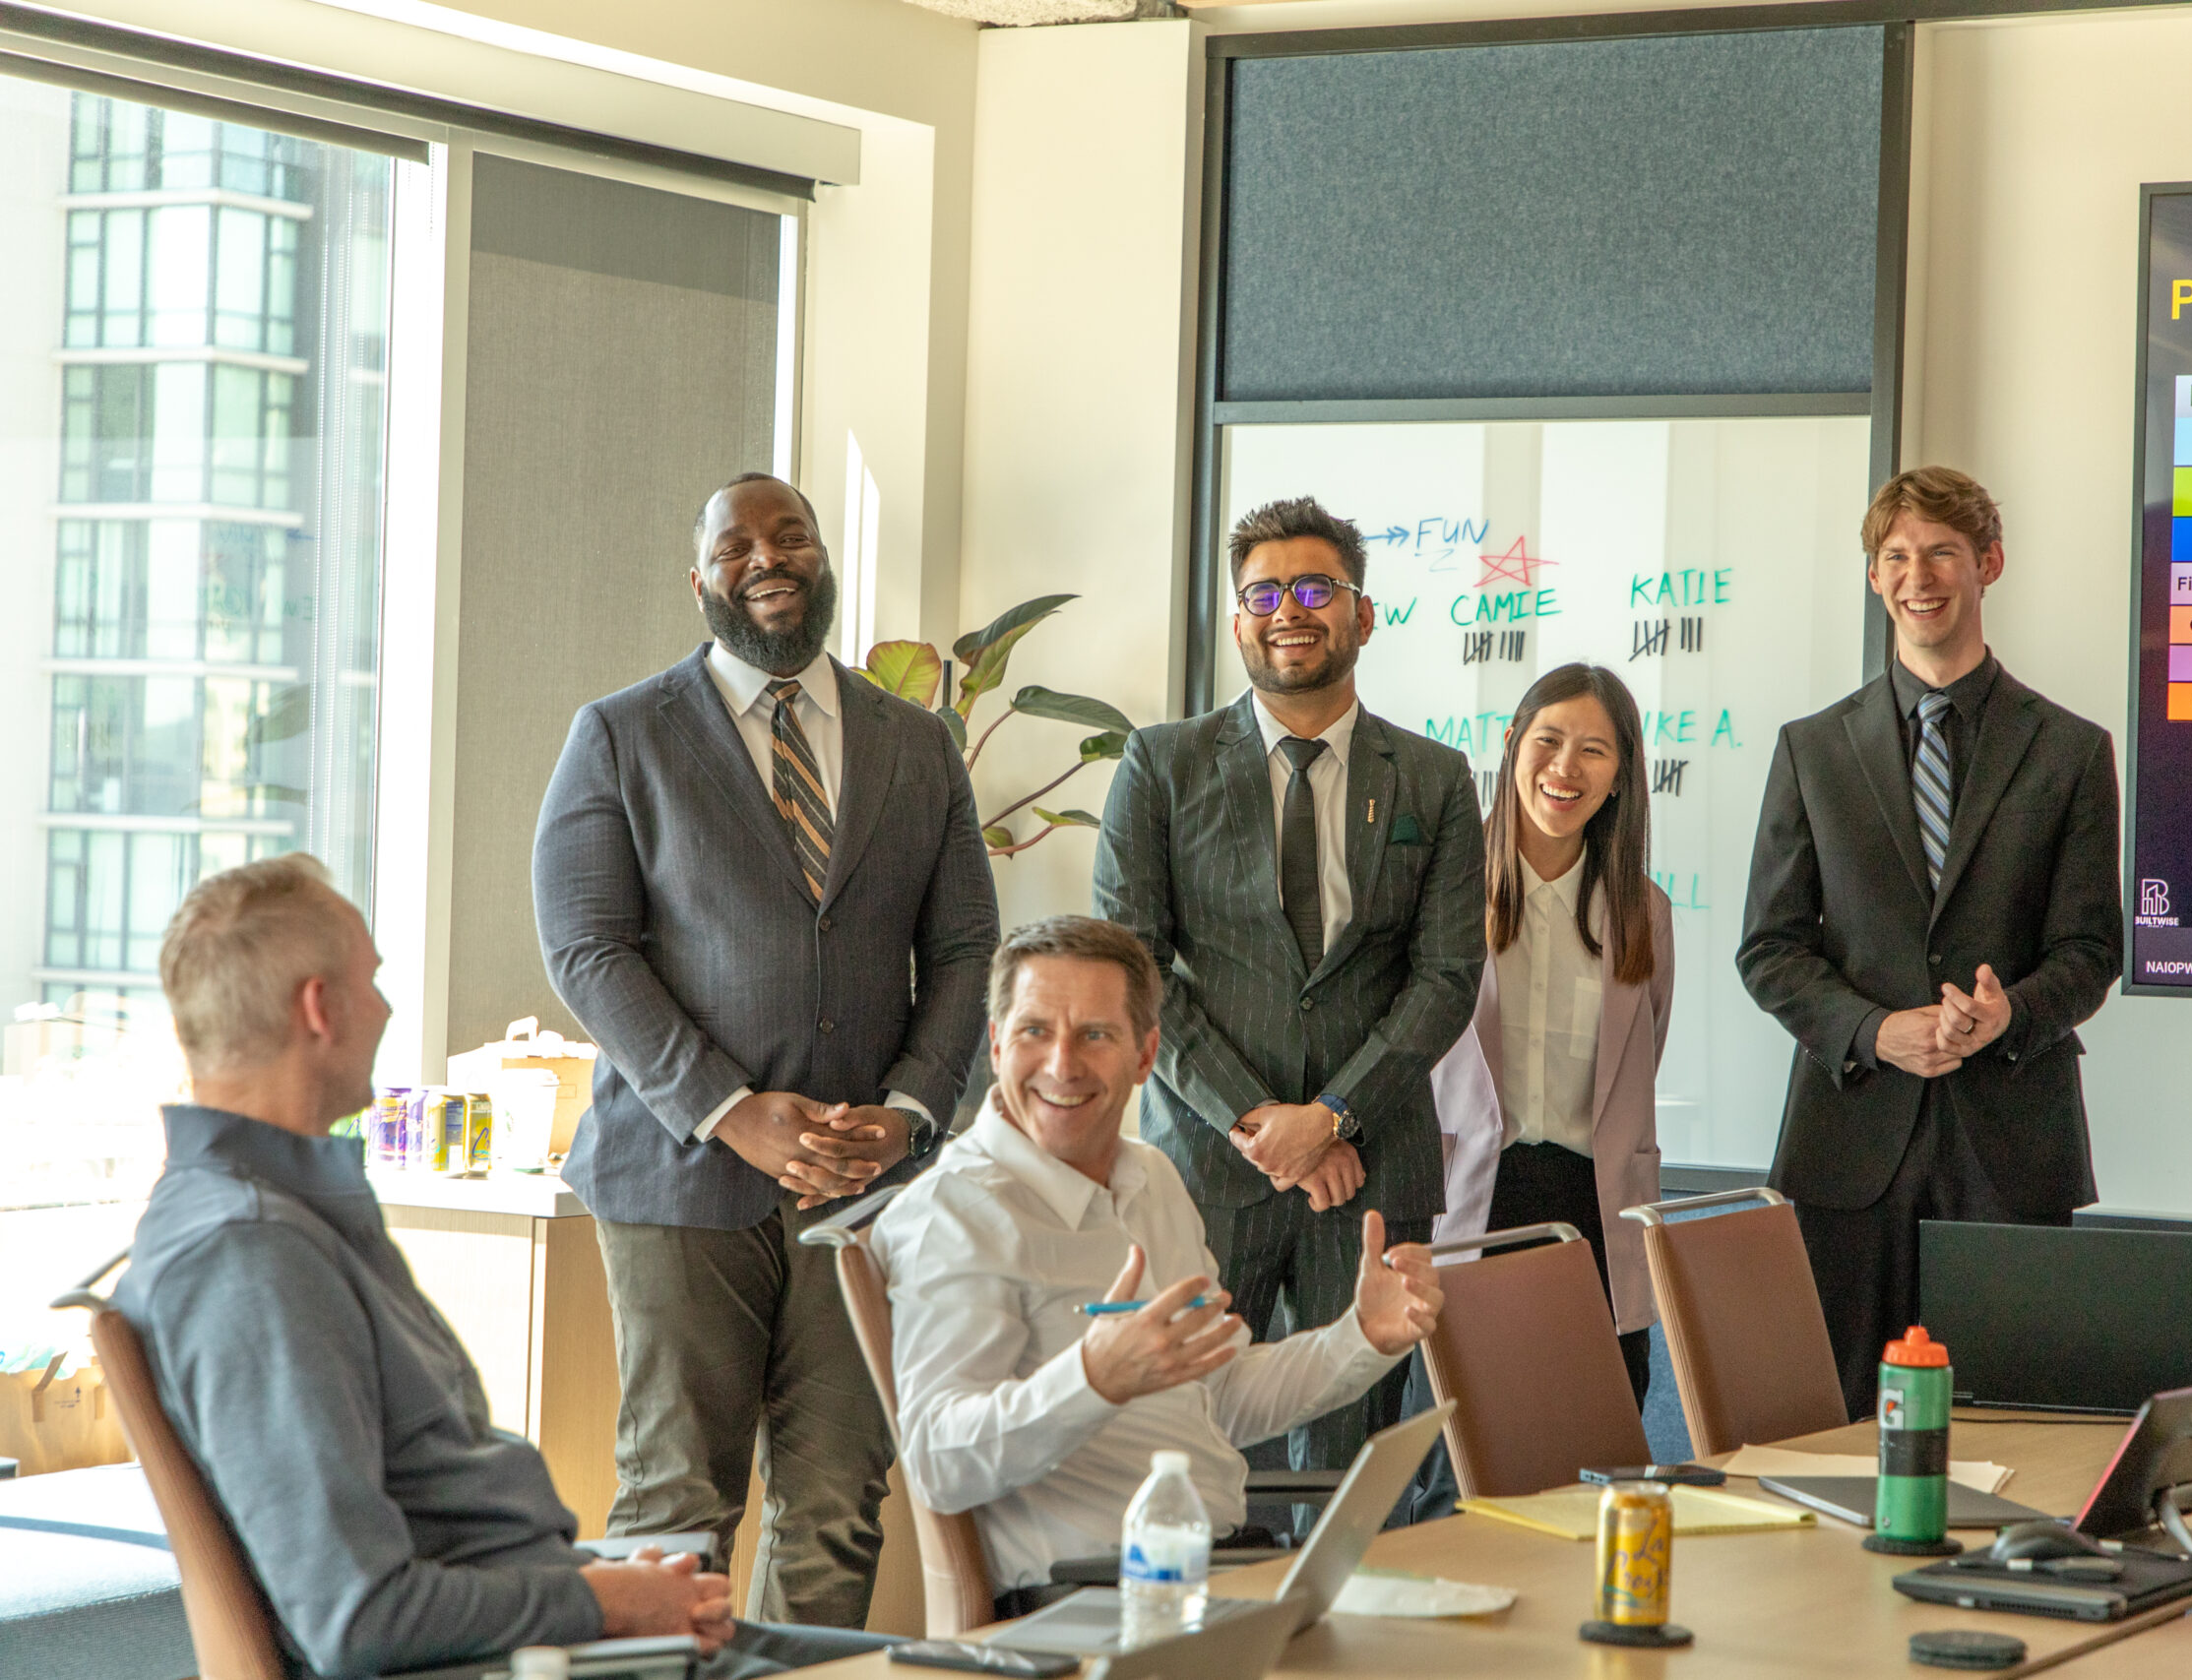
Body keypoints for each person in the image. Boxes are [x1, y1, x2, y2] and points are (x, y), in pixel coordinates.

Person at [115, 854, 897, 1679]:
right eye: (372, 980)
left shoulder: (280, 1218)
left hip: (537, 1627)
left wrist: (609, 1584)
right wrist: (605, 1600)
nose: (386, 1007)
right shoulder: (250, 1257)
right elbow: (360, 1615)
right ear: (320, 1007)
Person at [532, 471, 997, 1624]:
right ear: (698, 579)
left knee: (839, 1505)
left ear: (823, 561)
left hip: (864, 1190)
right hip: (679, 1175)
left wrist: (908, 1114)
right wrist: (730, 1110)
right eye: (736, 546)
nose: (767, 559)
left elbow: (964, 949)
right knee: (675, 1508)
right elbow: (586, 947)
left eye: (790, 536)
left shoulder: (917, 743)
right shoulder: (621, 734)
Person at [870, 916, 1446, 1613]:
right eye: (1034, 1031)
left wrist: (1361, 1336)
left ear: (1146, 1055)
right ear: (995, 1044)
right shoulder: (954, 1209)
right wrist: (1094, 1377)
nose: (1062, 1064)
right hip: (1082, 1604)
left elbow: (1221, 1396)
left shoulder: (1152, 1178)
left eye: (1095, 1035)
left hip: (1220, 1578)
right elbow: (939, 1464)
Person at [1092, 496, 1483, 1477]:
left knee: (1352, 1459)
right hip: (1208, 1165)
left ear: (1363, 613)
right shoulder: (1162, 765)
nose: (1288, 610)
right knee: (1186, 1442)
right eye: (1263, 594)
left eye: (1315, 587)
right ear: (1237, 623)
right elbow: (1132, 968)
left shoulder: (1434, 778)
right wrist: (1262, 1123)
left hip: (1376, 1167)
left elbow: (1447, 976)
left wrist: (1335, 1115)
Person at [1738, 467, 2122, 1418]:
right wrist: (1875, 1031)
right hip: (1848, 1146)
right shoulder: (1811, 750)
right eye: (1898, 556)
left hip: (2012, 1142)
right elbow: (1770, 948)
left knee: (2018, 1422)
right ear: (1875, 576)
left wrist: (2009, 1014)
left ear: (1989, 564)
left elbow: (2090, 950)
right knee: (1836, 1423)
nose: (1920, 576)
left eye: (1943, 552)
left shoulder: (2072, 750)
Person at [1430, 664, 1673, 1404]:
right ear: (1511, 742)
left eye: (1594, 750)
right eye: (1549, 740)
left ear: (1621, 777)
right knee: (1463, 1445)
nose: (1566, 768)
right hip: (1471, 1196)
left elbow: (1643, 1055)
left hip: (1594, 1206)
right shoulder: (1442, 893)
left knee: (1598, 1438)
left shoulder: (1645, 912)